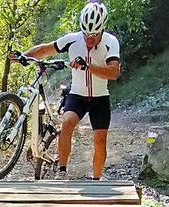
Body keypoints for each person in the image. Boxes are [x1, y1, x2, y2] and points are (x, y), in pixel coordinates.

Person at [10, 2, 120, 180]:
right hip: (77, 94)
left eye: (94, 35)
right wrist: (23, 56)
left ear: (102, 29)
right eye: (86, 34)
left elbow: (114, 72)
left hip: (100, 98)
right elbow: (45, 49)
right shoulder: (73, 39)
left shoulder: (111, 42)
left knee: (100, 140)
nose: (89, 39)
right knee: (67, 123)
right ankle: (62, 171)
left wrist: (88, 66)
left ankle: (97, 179)